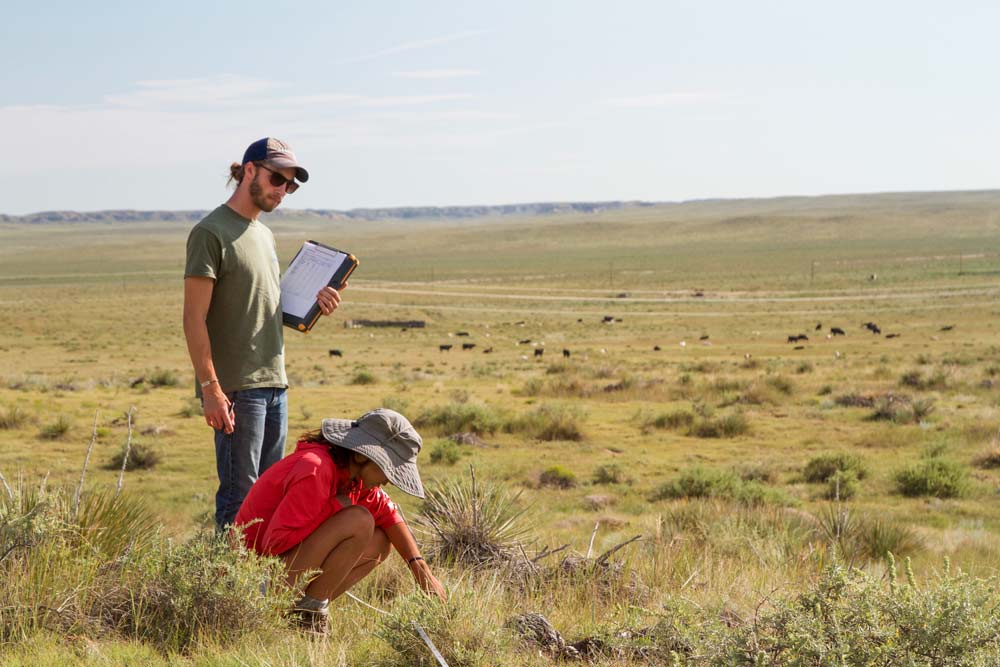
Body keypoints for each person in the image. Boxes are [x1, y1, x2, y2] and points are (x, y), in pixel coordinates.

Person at [183, 137, 343, 530]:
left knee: (272, 496)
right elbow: (193, 318)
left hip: (275, 384)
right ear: (248, 170)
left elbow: (266, 308)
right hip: (237, 389)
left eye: (290, 184)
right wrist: (211, 388)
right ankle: (225, 590)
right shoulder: (211, 232)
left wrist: (313, 302)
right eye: (277, 179)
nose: (282, 191)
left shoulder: (264, 235)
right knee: (241, 500)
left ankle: (258, 589)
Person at [234, 408, 446, 630]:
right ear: (362, 455)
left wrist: (420, 570)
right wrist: (335, 507)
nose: (389, 481)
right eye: (389, 469)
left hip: (279, 578)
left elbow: (389, 515)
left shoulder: (353, 476)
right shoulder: (315, 468)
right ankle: (308, 615)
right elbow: (274, 544)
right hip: (251, 587)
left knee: (381, 541)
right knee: (359, 520)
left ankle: (304, 614)